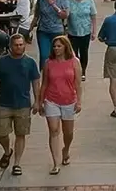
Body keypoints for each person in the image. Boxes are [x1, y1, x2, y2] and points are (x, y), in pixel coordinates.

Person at [0, 33, 42, 177]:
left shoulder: (30, 63)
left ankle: (17, 163)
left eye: (21, 44)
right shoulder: (2, 62)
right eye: (16, 45)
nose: (19, 47)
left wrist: (37, 101)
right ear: (10, 47)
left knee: (21, 134)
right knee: (2, 133)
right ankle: (7, 151)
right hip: (4, 104)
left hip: (23, 104)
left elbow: (36, 82)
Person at [41, 35, 82, 175]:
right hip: (51, 100)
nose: (56, 48)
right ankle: (55, 162)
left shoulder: (74, 62)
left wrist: (79, 101)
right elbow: (44, 83)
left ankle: (66, 149)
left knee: (68, 133)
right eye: (54, 46)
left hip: (69, 100)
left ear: (65, 46)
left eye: (59, 46)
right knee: (53, 130)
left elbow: (78, 83)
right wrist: (40, 101)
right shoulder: (48, 63)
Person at [33, 0, 71, 64]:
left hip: (57, 31)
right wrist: (29, 29)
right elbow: (36, 16)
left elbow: (65, 15)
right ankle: (44, 74)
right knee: (44, 55)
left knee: (57, 55)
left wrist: (54, 5)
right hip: (43, 30)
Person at [65, 0, 98, 76]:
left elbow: (93, 16)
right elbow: (66, 15)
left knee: (84, 52)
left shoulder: (89, 0)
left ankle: (82, 71)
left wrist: (94, 31)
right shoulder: (69, 1)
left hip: (85, 31)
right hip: (73, 32)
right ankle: (75, 70)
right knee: (73, 53)